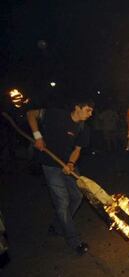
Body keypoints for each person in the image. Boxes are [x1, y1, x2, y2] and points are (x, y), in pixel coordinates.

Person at [26, 99, 94, 255]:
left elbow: (77, 150)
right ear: (77, 107)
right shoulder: (55, 114)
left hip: (68, 165)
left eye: (91, 112)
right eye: (88, 110)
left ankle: (58, 225)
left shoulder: (84, 128)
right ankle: (75, 241)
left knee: (77, 196)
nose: (90, 114)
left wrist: (70, 163)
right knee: (62, 203)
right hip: (50, 165)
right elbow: (30, 114)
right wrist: (38, 137)